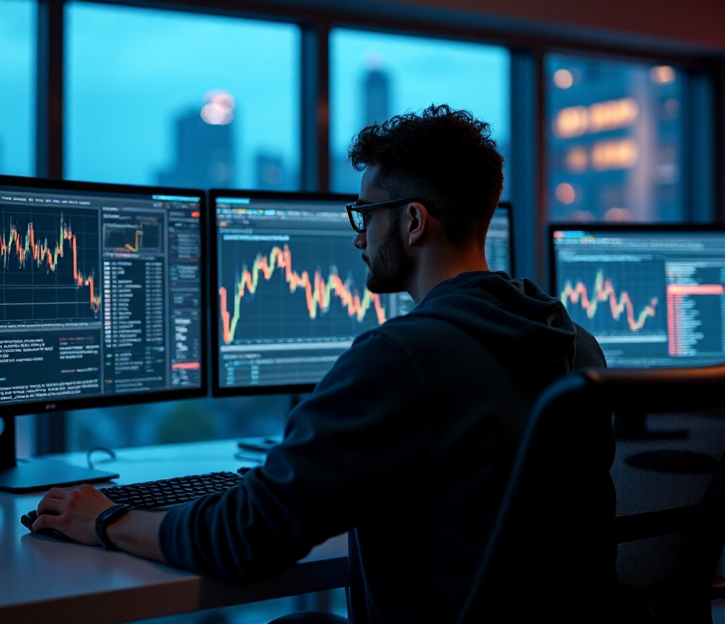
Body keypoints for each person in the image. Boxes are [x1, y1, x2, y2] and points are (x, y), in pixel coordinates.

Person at [31, 104, 607, 622]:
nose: (358, 239)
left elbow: (247, 537)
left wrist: (106, 520)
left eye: (365, 214)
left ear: (412, 222)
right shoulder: (573, 343)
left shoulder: (402, 357)